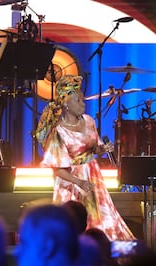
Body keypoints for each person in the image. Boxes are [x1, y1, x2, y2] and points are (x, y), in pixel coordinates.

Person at [36, 74, 135, 241]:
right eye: (78, 101)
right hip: (71, 181)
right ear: (66, 104)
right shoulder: (59, 131)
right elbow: (57, 169)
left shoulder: (89, 121)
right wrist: (79, 182)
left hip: (92, 175)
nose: (83, 104)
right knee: (72, 223)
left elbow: (93, 148)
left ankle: (99, 251)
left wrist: (103, 148)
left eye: (83, 100)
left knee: (99, 218)